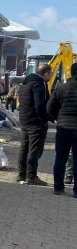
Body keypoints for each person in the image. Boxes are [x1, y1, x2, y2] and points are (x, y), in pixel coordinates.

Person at [17, 64, 52, 186]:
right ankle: (31, 176)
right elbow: (40, 105)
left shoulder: (25, 82)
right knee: (34, 150)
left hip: (25, 120)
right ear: (45, 73)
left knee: (24, 148)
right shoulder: (39, 83)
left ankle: (21, 174)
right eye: (50, 73)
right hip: (35, 122)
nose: (51, 76)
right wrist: (44, 120)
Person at [47, 63, 77, 197]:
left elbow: (49, 107)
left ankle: (58, 188)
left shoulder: (61, 88)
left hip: (63, 128)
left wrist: (56, 118)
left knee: (60, 159)